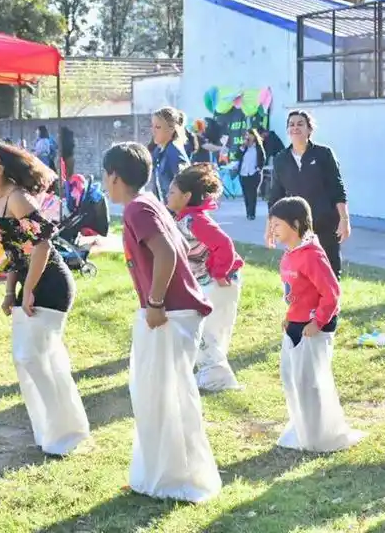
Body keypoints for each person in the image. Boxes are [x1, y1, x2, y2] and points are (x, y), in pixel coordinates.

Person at [102, 141, 221, 503]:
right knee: (158, 392)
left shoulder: (137, 209)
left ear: (115, 176)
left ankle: (174, 479)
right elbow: (178, 249)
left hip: (169, 312)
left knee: (163, 395)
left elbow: (168, 252)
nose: (104, 183)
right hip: (175, 310)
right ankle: (159, 474)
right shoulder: (149, 202)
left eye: (105, 176)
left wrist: (155, 302)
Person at [0, 138, 89, 456]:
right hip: (31, 282)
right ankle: (53, 432)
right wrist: (11, 291)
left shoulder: (18, 199)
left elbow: (43, 245)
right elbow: (15, 252)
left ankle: (65, 433)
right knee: (32, 359)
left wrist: (30, 290)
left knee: (34, 357)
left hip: (50, 282)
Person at [269, 196, 365, 452]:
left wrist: (318, 321)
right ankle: (303, 427)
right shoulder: (291, 254)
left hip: (313, 327)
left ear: (296, 224)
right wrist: (290, 315)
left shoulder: (311, 255)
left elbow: (331, 292)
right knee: (293, 378)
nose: (273, 230)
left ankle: (322, 435)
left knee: (311, 381)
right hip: (296, 324)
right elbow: (296, 291)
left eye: (277, 225)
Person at [167, 163, 245, 391]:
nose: (168, 195)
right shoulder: (182, 218)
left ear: (186, 196)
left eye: (172, 192)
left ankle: (218, 378)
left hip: (221, 282)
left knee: (210, 330)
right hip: (208, 282)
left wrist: (220, 273)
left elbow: (224, 245)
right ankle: (212, 374)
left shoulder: (195, 220)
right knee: (208, 330)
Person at [266, 110, 350, 280]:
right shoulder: (281, 159)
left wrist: (344, 219)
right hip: (296, 224)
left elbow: (337, 188)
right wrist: (270, 227)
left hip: (325, 220)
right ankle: (308, 305)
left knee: (329, 269)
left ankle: (331, 304)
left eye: (300, 124)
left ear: (309, 129)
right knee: (302, 270)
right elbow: (276, 196)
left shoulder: (324, 154)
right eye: (291, 124)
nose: (295, 127)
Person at [151, 107, 191, 203]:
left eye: (158, 127)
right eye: (152, 126)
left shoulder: (174, 152)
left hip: (177, 213)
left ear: (172, 128)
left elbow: (186, 187)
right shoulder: (159, 151)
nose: (153, 131)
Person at [237, 129, 266, 220]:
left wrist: (259, 168)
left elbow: (263, 158)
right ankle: (248, 212)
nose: (248, 137)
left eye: (250, 135)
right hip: (243, 173)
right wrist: (242, 147)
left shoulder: (258, 147)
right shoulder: (243, 148)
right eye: (246, 135)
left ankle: (252, 214)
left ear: (254, 136)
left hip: (254, 173)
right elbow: (237, 156)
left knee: (252, 194)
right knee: (246, 194)